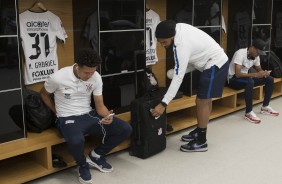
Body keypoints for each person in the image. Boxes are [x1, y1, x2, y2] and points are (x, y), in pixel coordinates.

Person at [40, 48, 132, 184]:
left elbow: (99, 104)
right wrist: (57, 112)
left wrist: (107, 115)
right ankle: (82, 165)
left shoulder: (96, 77)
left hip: (89, 114)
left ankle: (96, 155)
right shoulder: (59, 77)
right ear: (77, 66)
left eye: (92, 71)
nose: (90, 75)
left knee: (125, 129)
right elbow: (43, 94)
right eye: (86, 72)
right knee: (77, 141)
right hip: (67, 116)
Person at [152, 20, 229, 152]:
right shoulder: (178, 28)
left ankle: (201, 140)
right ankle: (200, 130)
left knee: (201, 101)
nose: (163, 45)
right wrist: (177, 70)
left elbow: (178, 77)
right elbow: (192, 59)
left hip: (215, 63)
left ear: (172, 36)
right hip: (210, 62)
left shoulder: (180, 45)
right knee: (205, 100)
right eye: (160, 42)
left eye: (164, 42)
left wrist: (163, 104)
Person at [227, 40, 279, 123]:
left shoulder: (255, 56)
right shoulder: (240, 53)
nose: (258, 55)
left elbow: (259, 69)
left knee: (270, 79)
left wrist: (264, 73)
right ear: (253, 48)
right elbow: (238, 74)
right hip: (233, 79)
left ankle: (265, 107)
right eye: (258, 52)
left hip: (246, 78)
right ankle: (248, 112)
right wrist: (255, 75)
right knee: (250, 82)